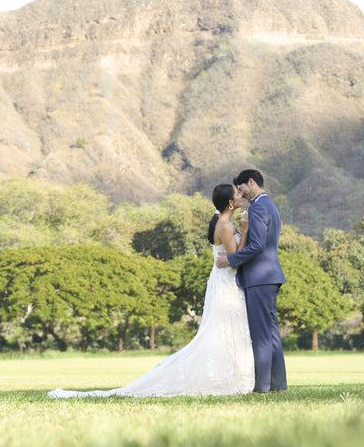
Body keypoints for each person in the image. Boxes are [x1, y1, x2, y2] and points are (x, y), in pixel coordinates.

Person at [48, 183, 255, 398]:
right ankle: (224, 379)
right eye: (237, 194)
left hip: (224, 281)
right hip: (226, 283)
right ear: (231, 202)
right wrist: (246, 229)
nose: (241, 196)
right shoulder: (224, 225)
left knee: (229, 329)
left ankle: (231, 375)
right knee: (222, 330)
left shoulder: (225, 223)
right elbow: (234, 259)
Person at [216, 169, 287, 393]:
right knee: (272, 333)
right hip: (270, 276)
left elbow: (256, 246)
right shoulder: (271, 206)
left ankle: (262, 386)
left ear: (251, 182)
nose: (242, 193)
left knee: (261, 335)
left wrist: (231, 260)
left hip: (259, 277)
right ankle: (278, 385)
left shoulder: (257, 208)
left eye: (242, 188)